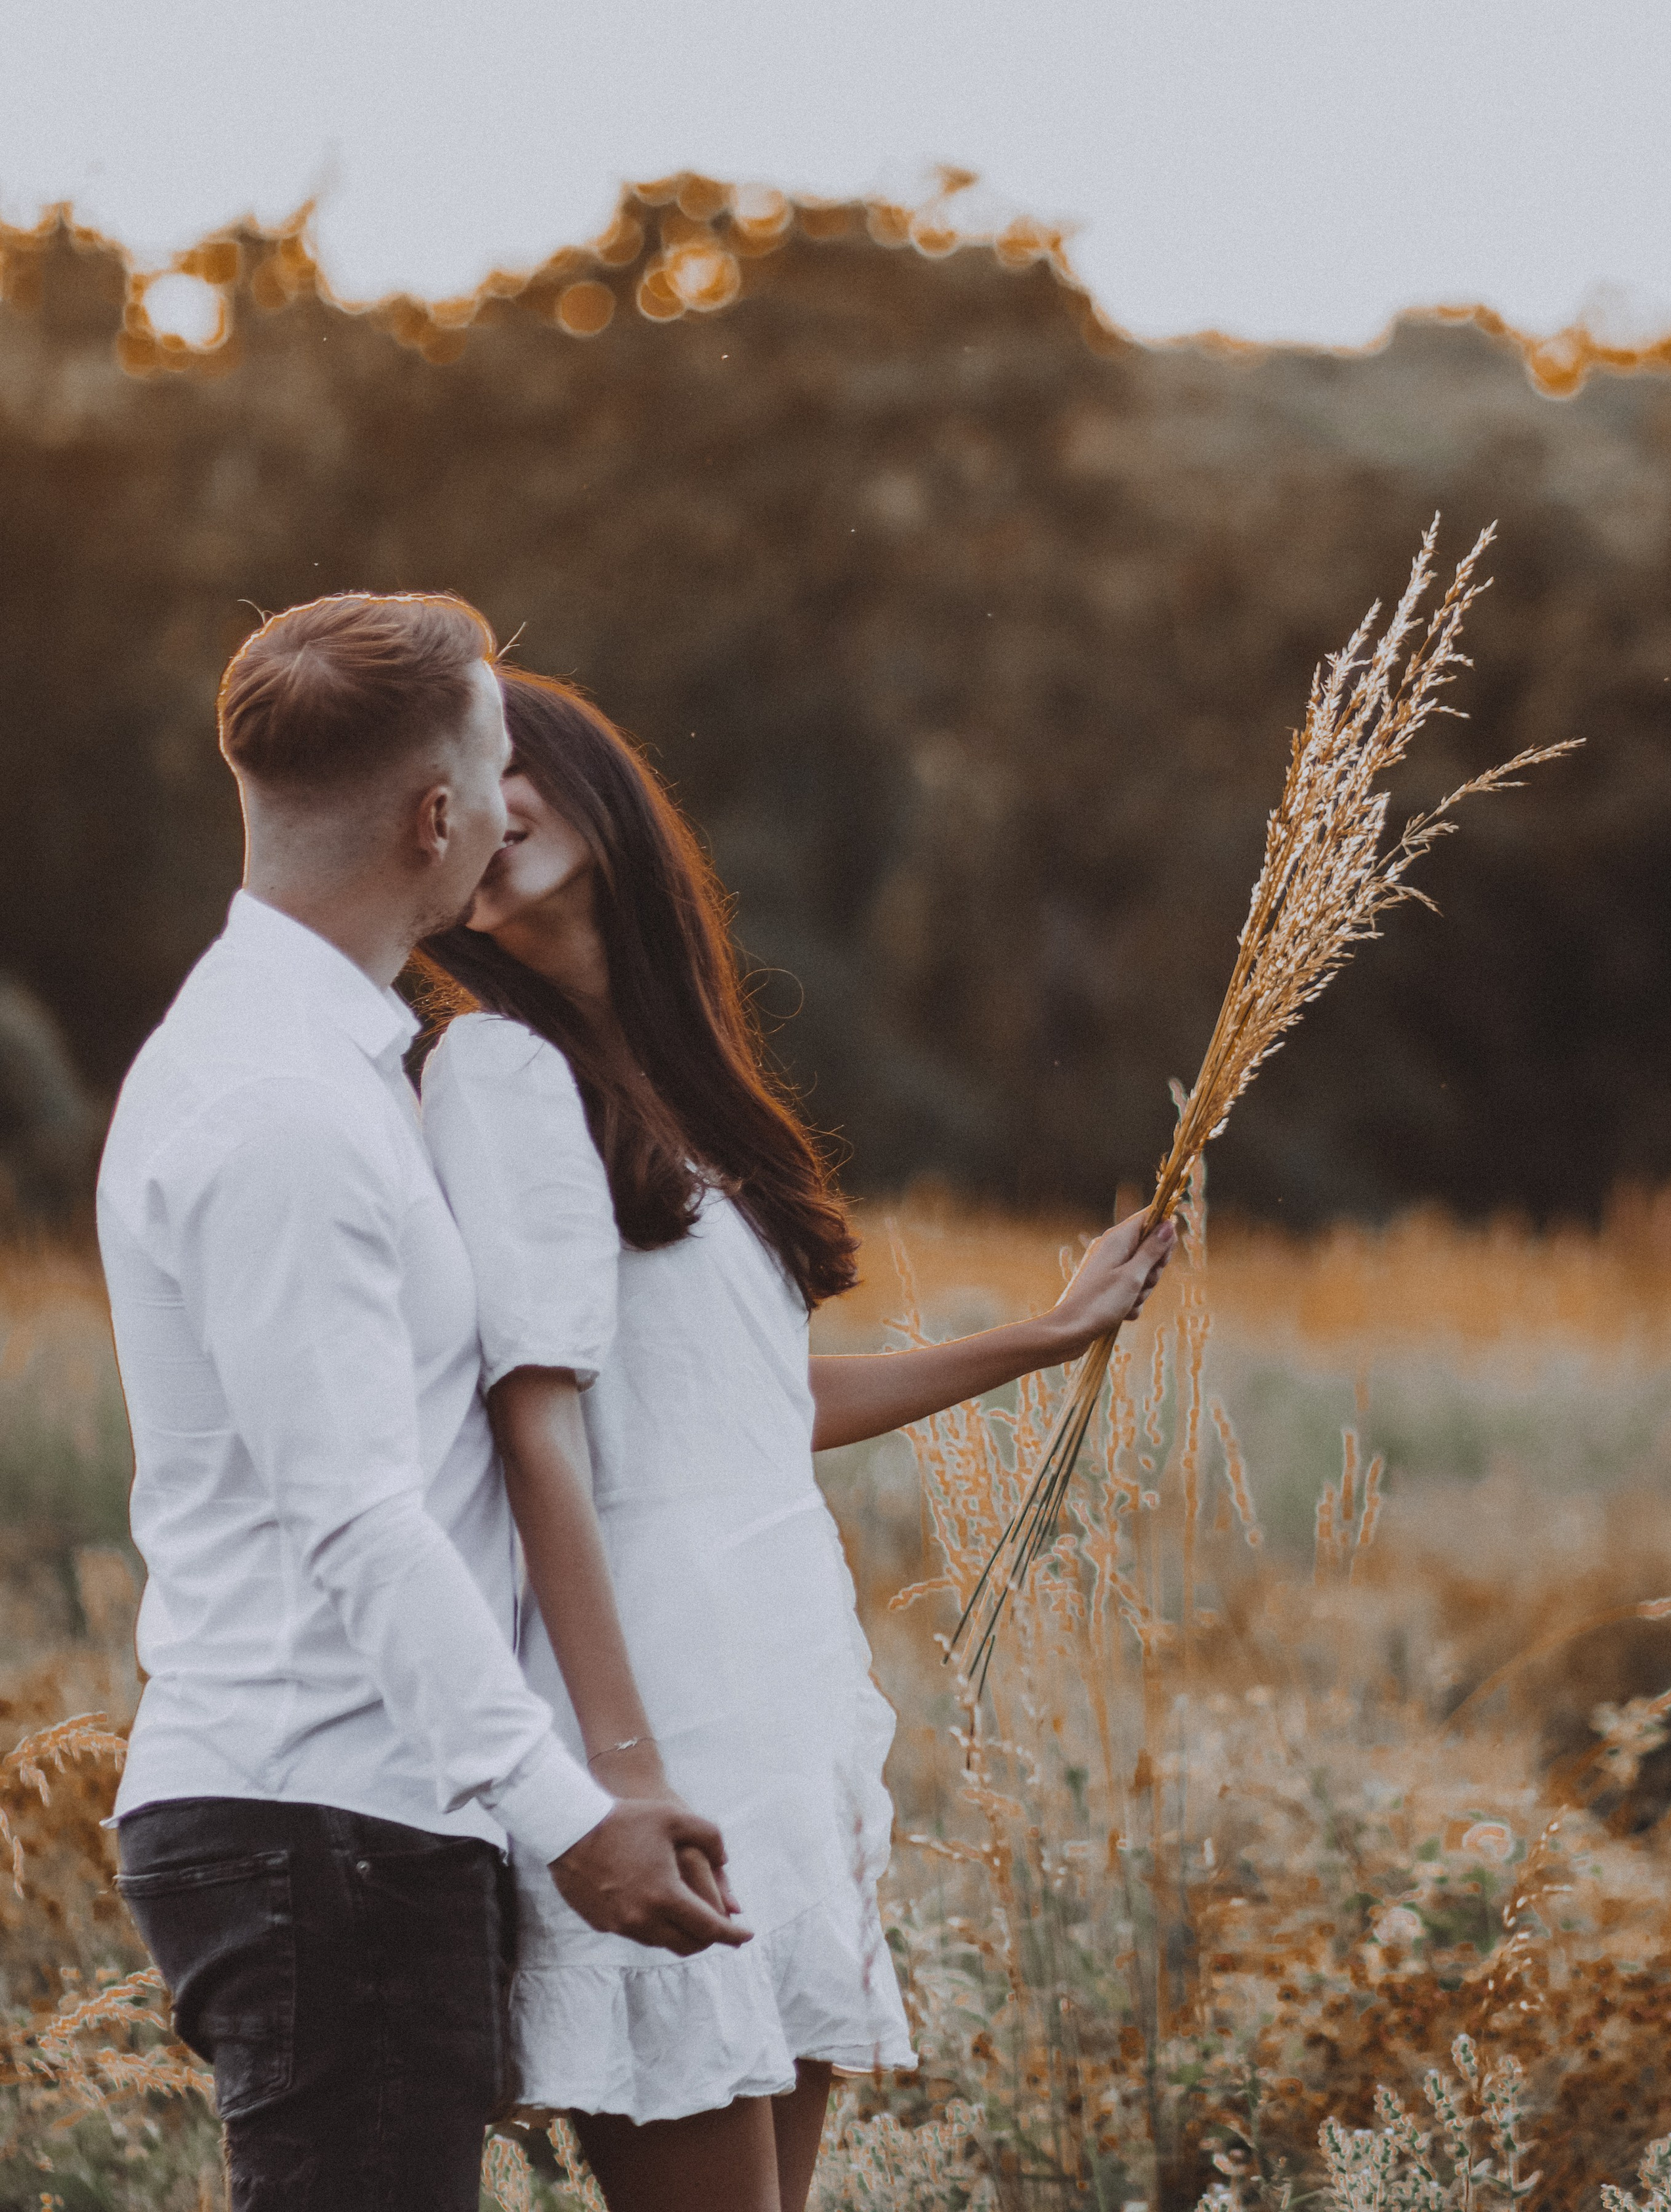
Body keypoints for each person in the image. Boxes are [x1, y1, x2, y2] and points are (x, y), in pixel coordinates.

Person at [418, 667, 1175, 2212]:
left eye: (494, 763)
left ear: (581, 774)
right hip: (650, 1703)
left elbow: (746, 1409)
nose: (475, 814)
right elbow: (537, 1441)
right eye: (434, 800)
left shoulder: (676, 1089)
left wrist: (1042, 1336)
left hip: (774, 1685)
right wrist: (619, 1779)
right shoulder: (496, 1072)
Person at [98, 594, 745, 2212]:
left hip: (343, 1815)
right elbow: (353, 1515)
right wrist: (570, 1813)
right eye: (496, 769)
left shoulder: (321, 1062)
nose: (512, 809)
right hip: (321, 1818)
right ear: (433, 818)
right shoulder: (285, 1106)